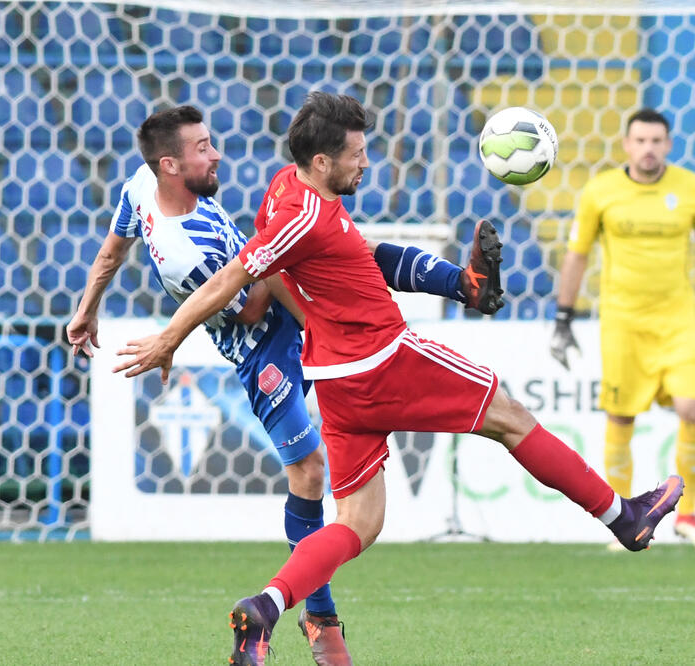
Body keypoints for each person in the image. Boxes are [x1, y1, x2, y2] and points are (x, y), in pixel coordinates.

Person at [111, 93, 684, 666]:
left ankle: (264, 608)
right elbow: (232, 278)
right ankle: (622, 517)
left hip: (337, 381)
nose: (366, 163)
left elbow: (367, 255)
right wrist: (168, 340)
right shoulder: (303, 216)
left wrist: (459, 285)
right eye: (356, 154)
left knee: (359, 524)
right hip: (384, 358)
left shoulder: (289, 188)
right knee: (510, 417)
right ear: (321, 162)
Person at [66, 105, 505, 666]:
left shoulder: (139, 185)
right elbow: (249, 308)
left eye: (211, 141)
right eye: (203, 148)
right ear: (171, 165)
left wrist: (86, 310)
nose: (216, 153)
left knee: (350, 248)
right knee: (310, 470)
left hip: (279, 298)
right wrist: (279, 254)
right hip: (263, 347)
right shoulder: (190, 248)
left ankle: (465, 286)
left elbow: (111, 250)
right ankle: (318, 618)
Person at [549, 108, 695, 551]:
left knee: (692, 408)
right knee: (621, 416)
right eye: (641, 140)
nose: (649, 148)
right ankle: (625, 520)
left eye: (656, 141)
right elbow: (577, 256)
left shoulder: (691, 189)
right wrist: (563, 319)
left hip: (676, 322)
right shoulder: (601, 192)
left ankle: (687, 515)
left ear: (668, 145)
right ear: (627, 145)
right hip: (622, 323)